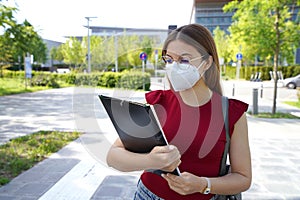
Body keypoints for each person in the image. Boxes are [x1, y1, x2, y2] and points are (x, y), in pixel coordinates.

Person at [106, 24, 252, 200]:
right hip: (147, 195)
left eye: (184, 60)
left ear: (207, 62)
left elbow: (243, 178)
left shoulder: (231, 113)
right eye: (169, 60)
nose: (174, 67)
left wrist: (204, 185)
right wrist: (151, 161)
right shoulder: (157, 102)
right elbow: (113, 156)